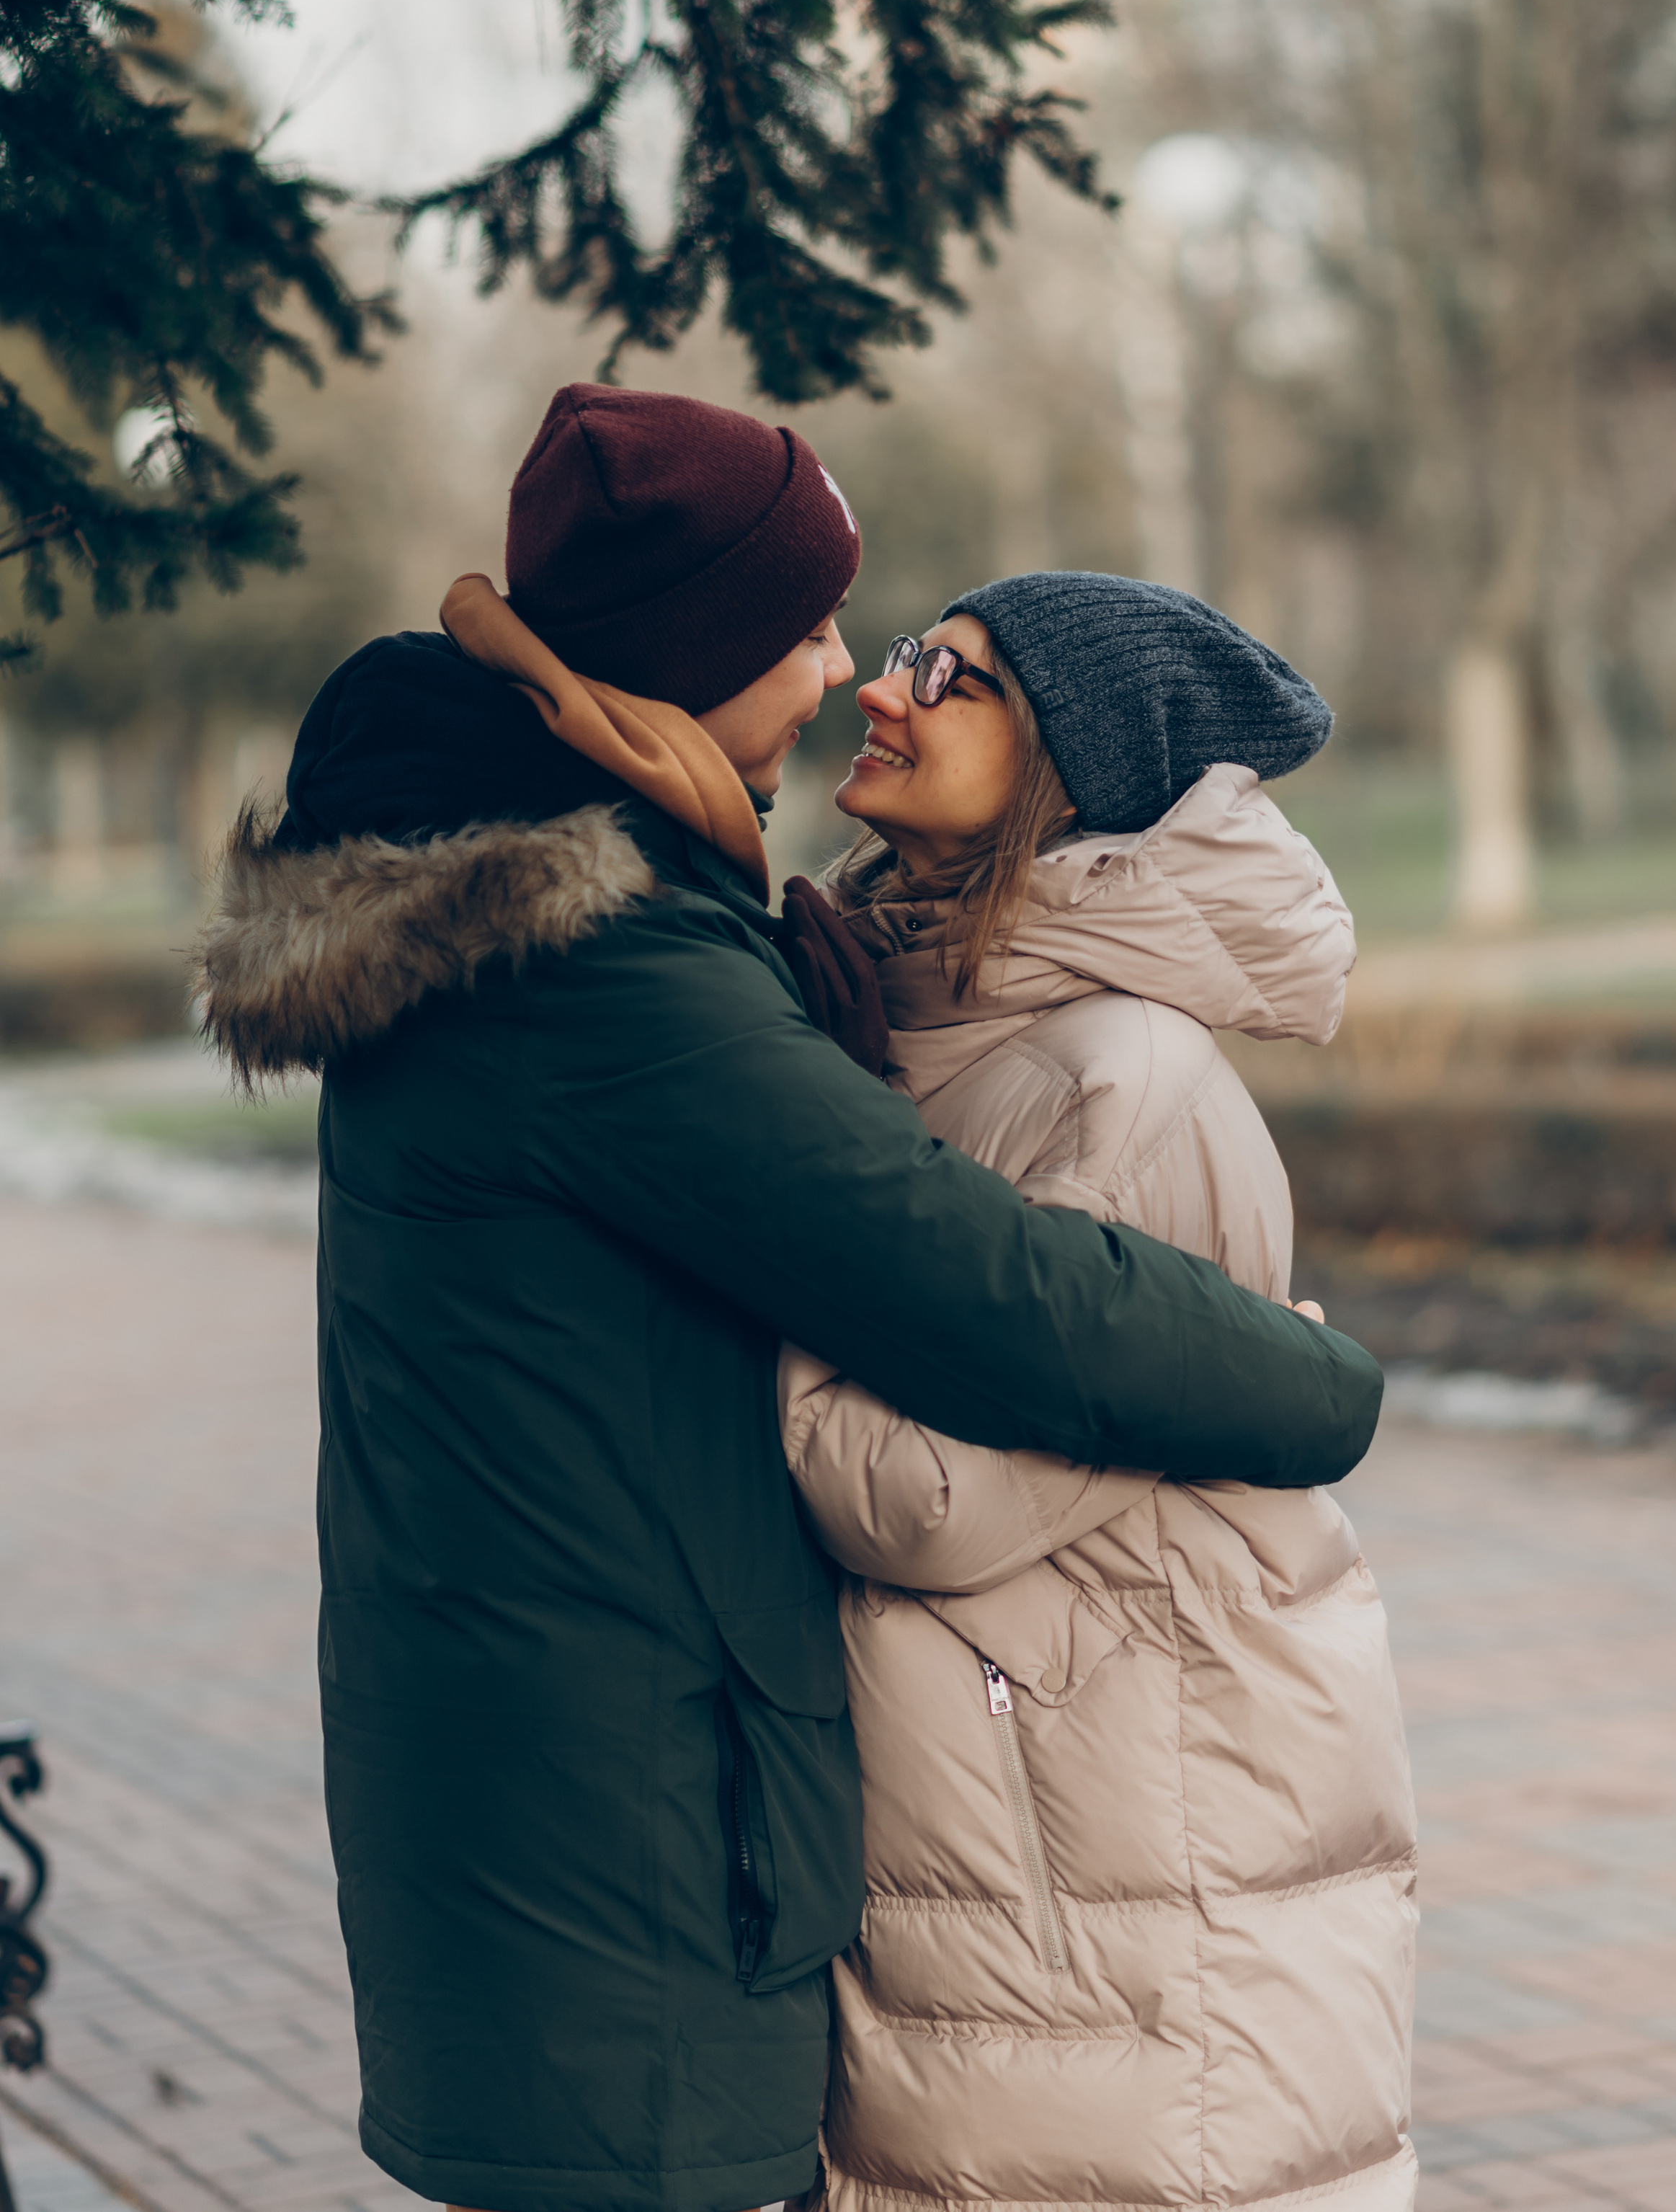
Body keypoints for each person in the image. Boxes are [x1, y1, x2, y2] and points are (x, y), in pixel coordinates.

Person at [194, 392, 1385, 2212]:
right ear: (695, 656)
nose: (846, 676)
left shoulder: (601, 916)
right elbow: (961, 1279)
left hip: (637, 1811)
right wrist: (1311, 1381)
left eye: (920, 660)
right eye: (817, 632)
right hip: (620, 1841)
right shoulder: (595, 968)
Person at [782, 573, 1417, 2212]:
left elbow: (932, 1499)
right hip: (1025, 1854)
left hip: (1130, 1863)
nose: (884, 690)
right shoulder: (918, 1020)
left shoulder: (1117, 1080)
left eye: (956, 679)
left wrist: (761, 1272)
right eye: (909, 652)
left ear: (1069, 770)